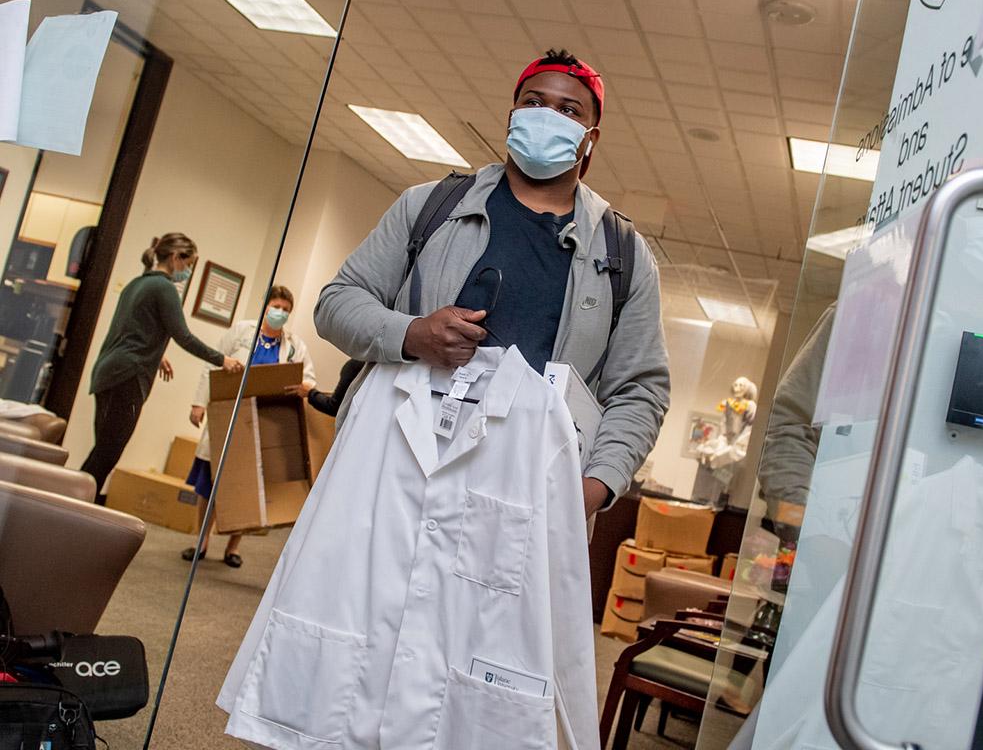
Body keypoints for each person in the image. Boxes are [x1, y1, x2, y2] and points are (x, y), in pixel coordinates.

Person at [314, 48, 670, 517]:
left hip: (525, 489)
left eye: (568, 111)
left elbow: (641, 389)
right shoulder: (429, 207)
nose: (547, 117)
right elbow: (336, 304)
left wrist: (596, 484)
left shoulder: (623, 253)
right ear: (511, 117)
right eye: (533, 102)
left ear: (590, 139)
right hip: (395, 461)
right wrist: (412, 334)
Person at [82, 233, 243, 504]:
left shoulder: (138, 283)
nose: (188, 271)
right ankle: (72, 505)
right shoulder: (164, 287)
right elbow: (184, 336)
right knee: (107, 454)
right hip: (127, 376)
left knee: (103, 450)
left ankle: (77, 506)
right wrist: (222, 360)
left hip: (110, 371)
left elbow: (130, 330)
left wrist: (157, 354)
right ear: (175, 257)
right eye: (188, 264)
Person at [181, 285, 316, 568]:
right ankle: (201, 541)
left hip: (265, 418)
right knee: (211, 479)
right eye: (276, 307)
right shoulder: (242, 332)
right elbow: (212, 366)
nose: (280, 313)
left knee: (249, 483)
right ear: (266, 306)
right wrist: (197, 403)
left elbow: (309, 377)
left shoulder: (293, 345)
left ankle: (233, 546)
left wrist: (306, 386)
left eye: (286, 310)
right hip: (229, 412)